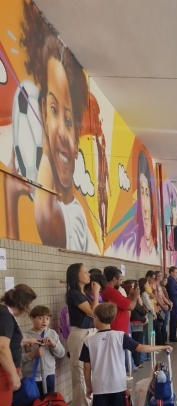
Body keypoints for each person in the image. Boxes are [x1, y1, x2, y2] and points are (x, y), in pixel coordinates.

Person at [4, 6, 96, 252]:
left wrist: (45, 149)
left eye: (69, 121)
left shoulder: (76, 217)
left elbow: (46, 215)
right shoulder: (41, 193)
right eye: (53, 109)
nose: (62, 133)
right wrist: (10, 197)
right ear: (42, 110)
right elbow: (16, 255)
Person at [80, 303, 172, 406]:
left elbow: (86, 367)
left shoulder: (89, 341)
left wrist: (89, 386)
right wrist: (162, 347)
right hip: (118, 385)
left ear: (96, 318)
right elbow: (140, 348)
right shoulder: (120, 336)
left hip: (100, 386)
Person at [0, 284, 37, 406]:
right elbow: (2, 347)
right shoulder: (5, 315)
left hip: (5, 371)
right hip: (3, 373)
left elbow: (8, 341)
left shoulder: (3, 312)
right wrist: (13, 375)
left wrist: (24, 340)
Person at [20, 305, 65, 406]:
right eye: (40, 318)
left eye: (47, 318)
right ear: (31, 318)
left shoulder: (52, 333)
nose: (44, 321)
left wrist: (53, 344)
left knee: (48, 405)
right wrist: (32, 354)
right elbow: (18, 358)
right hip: (32, 378)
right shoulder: (24, 336)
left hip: (49, 375)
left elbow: (61, 353)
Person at [66, 263, 100, 406]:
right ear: (76, 275)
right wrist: (96, 292)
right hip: (81, 334)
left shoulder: (83, 293)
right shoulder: (73, 293)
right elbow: (93, 312)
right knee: (80, 374)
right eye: (85, 272)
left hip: (90, 333)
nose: (88, 275)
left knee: (90, 374)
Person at [166, 267, 177, 343]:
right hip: (174, 302)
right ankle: (172, 336)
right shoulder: (170, 280)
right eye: (175, 272)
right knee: (173, 320)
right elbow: (172, 291)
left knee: (175, 320)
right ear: (171, 272)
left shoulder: (174, 280)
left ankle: (174, 335)